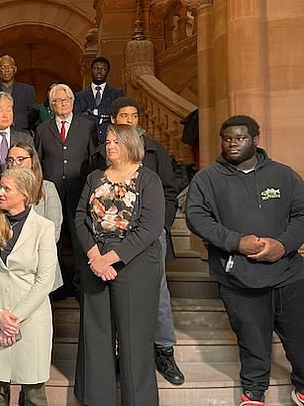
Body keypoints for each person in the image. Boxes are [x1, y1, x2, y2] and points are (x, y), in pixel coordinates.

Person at [186, 115, 304, 406]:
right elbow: (197, 218)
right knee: (252, 340)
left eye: (240, 138)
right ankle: (254, 392)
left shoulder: (284, 175)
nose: (233, 143)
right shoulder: (207, 179)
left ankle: (302, 386)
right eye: (227, 138)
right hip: (238, 278)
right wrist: (236, 242)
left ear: (255, 139)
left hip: (288, 274)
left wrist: (283, 245)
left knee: (300, 338)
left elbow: (301, 214)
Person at [74, 124, 164, 406]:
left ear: (130, 144)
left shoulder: (148, 179)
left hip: (135, 263)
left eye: (116, 141)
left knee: (134, 340)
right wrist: (94, 257)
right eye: (108, 141)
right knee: (96, 336)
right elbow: (79, 217)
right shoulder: (94, 177)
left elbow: (150, 228)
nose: (109, 145)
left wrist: (108, 259)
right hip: (95, 260)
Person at [109, 96, 184, 385]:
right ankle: (121, 353)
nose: (129, 120)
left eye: (134, 116)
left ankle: (164, 350)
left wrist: (160, 226)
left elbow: (169, 191)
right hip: (115, 239)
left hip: (151, 236)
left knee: (158, 296)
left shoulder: (156, 150)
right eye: (123, 116)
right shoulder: (104, 153)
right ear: (115, 119)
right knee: (117, 297)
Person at [0, 167, 58, 405]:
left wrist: (13, 319)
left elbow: (45, 279)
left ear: (24, 194)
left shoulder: (43, 228)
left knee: (33, 395)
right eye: (1, 186)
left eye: (6, 188)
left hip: (29, 319)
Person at [35, 83, 99, 296]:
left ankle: (81, 287)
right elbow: (38, 162)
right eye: (57, 101)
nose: (62, 104)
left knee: (81, 240)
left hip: (80, 191)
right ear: (51, 105)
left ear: (72, 101)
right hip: (51, 194)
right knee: (53, 242)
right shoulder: (43, 129)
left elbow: (93, 160)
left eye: (66, 99)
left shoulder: (87, 126)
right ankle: (54, 288)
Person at [0, 142, 62, 243]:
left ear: (32, 162)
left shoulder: (48, 189)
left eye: (20, 160)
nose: (14, 164)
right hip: (1, 248)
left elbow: (53, 234)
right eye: (10, 160)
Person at [0, 55, 37, 131]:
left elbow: (33, 114)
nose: (7, 70)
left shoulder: (27, 90)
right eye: (2, 67)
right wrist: (0, 123)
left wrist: (11, 121)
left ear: (15, 69)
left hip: (21, 132)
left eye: (10, 67)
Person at [73, 57, 124, 143]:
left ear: (107, 72)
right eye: (96, 68)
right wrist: (105, 117)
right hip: (86, 139)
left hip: (110, 139)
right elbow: (77, 116)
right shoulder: (79, 96)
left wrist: (94, 112)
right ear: (91, 70)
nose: (99, 72)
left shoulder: (117, 94)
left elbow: (117, 113)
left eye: (103, 69)